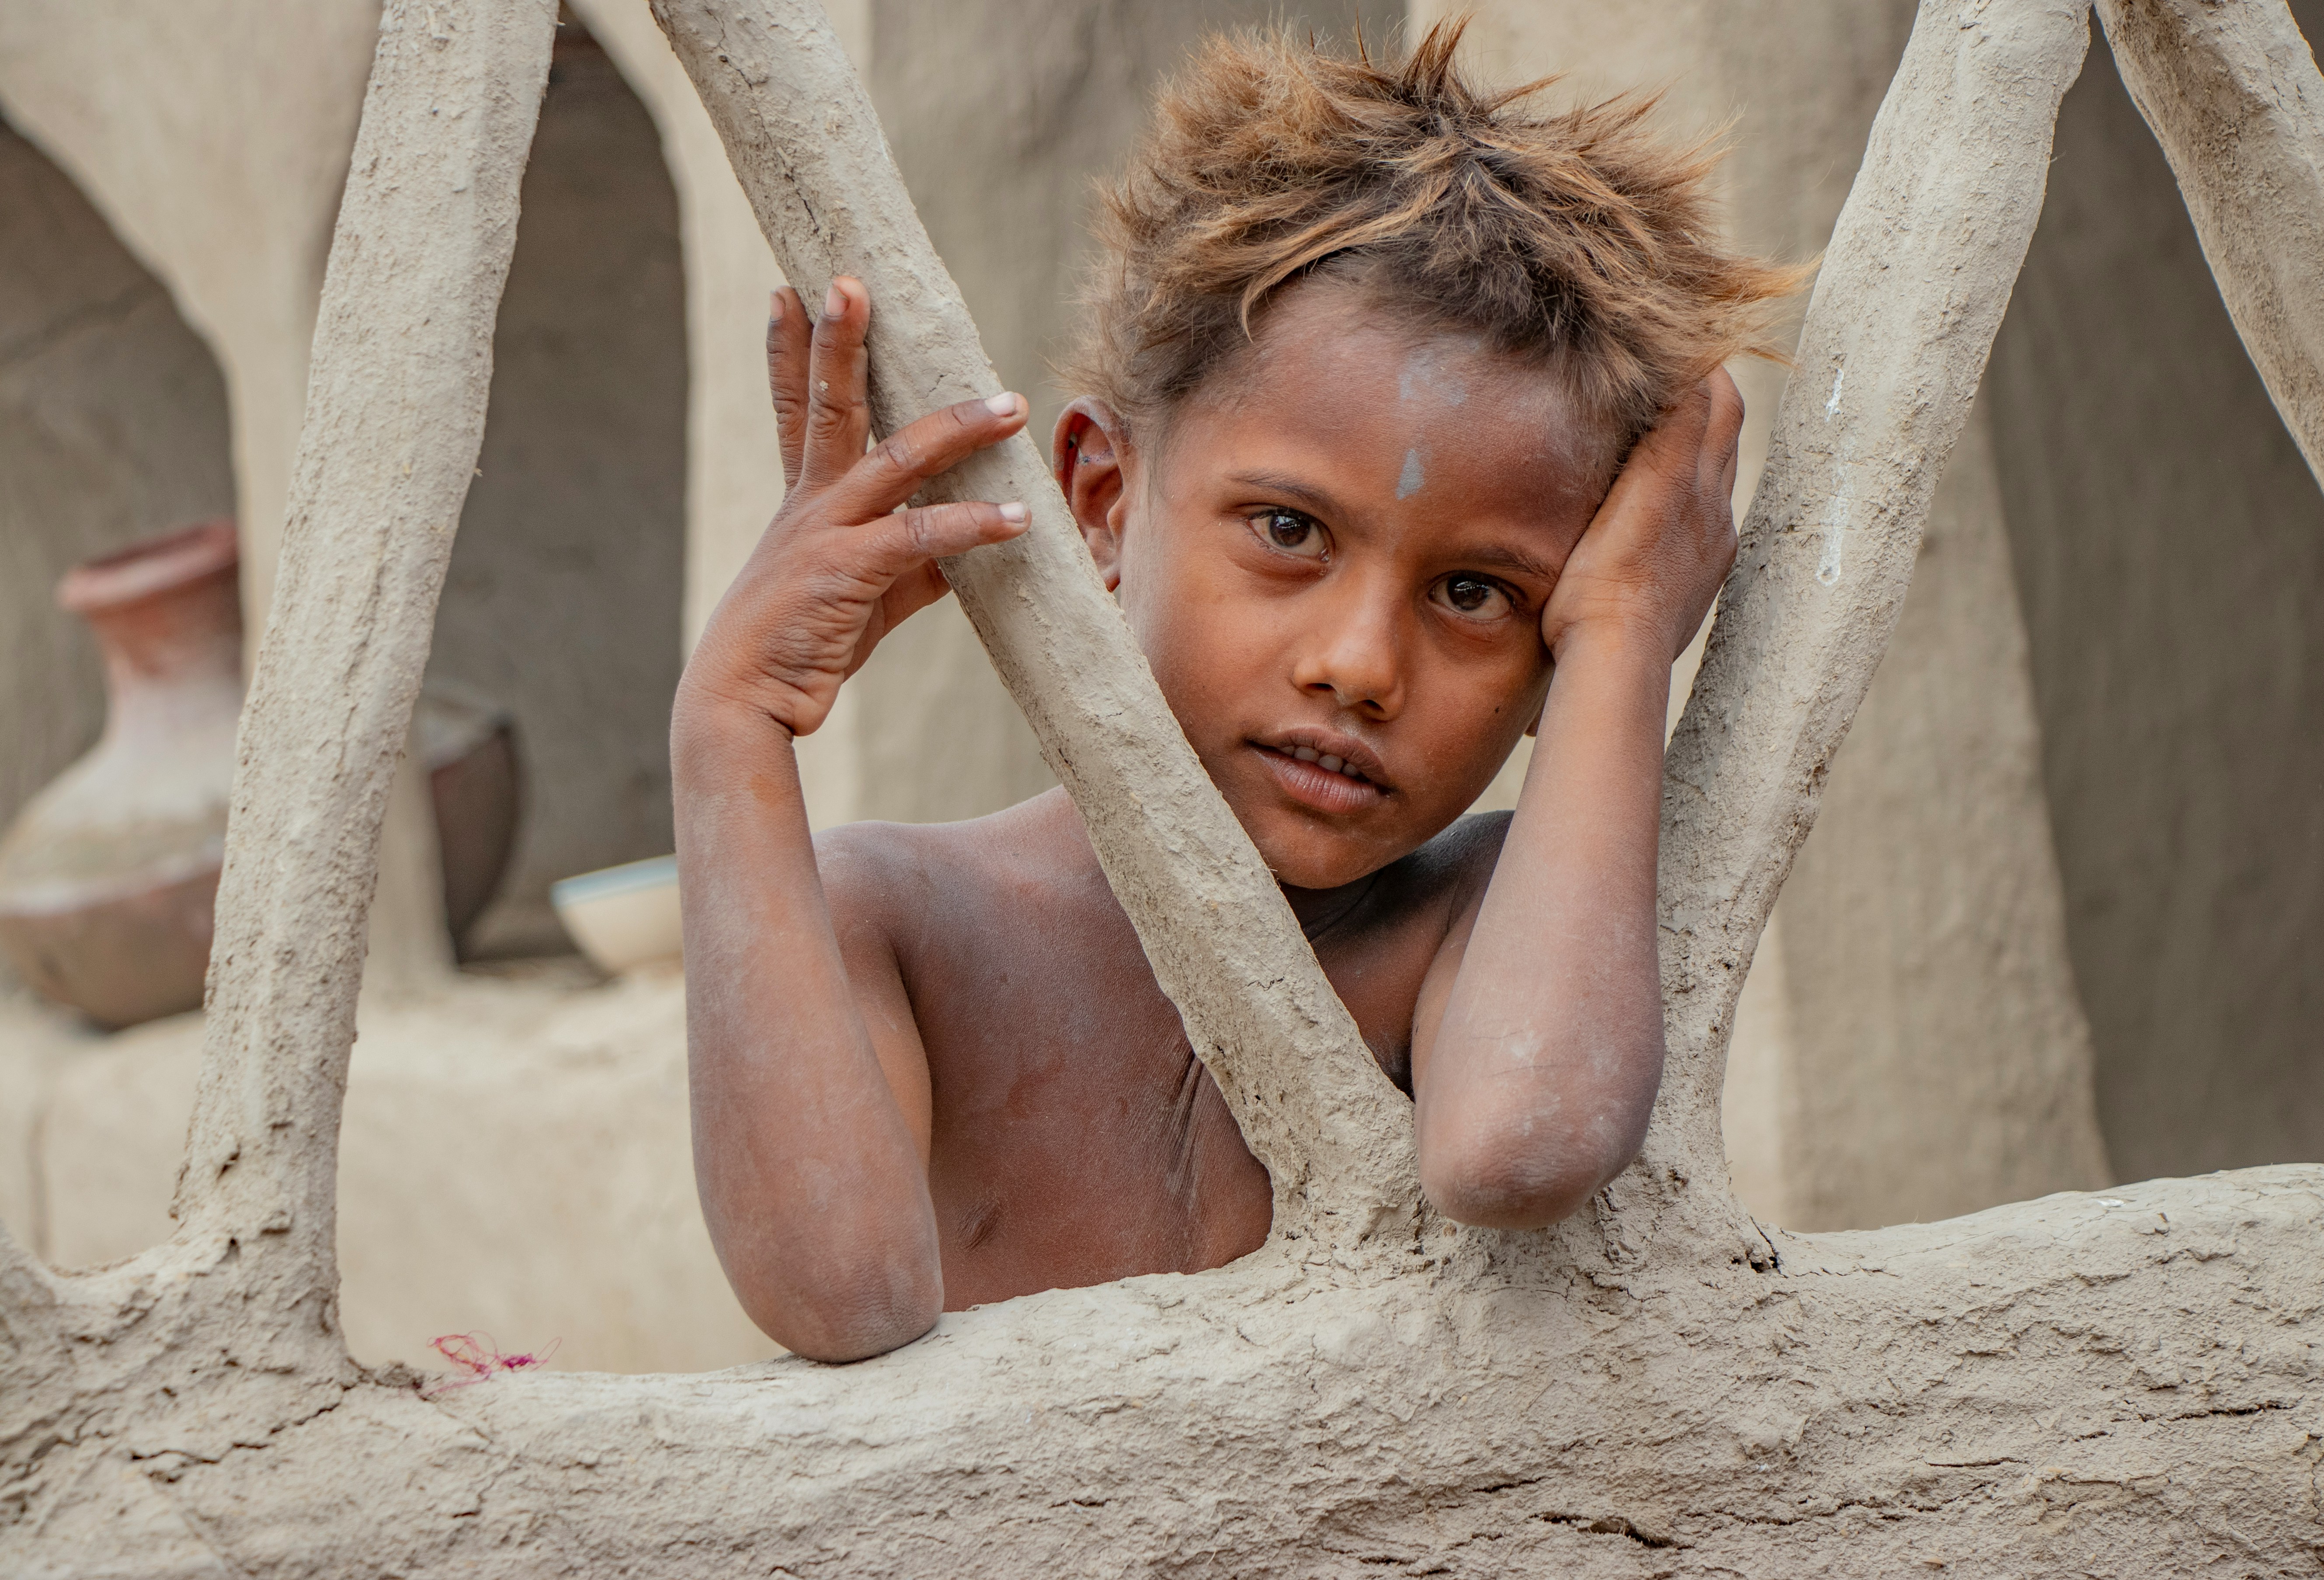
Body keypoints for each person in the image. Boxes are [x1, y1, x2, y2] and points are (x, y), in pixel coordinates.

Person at [672, 21, 1797, 1362]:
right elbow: (840, 1295)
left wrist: (1623, 631)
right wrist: (728, 730)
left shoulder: (1483, 923)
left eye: (1478, 594)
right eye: (1286, 531)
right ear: (1102, 497)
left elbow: (1519, 1146)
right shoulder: (896, 923)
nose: (1360, 667)